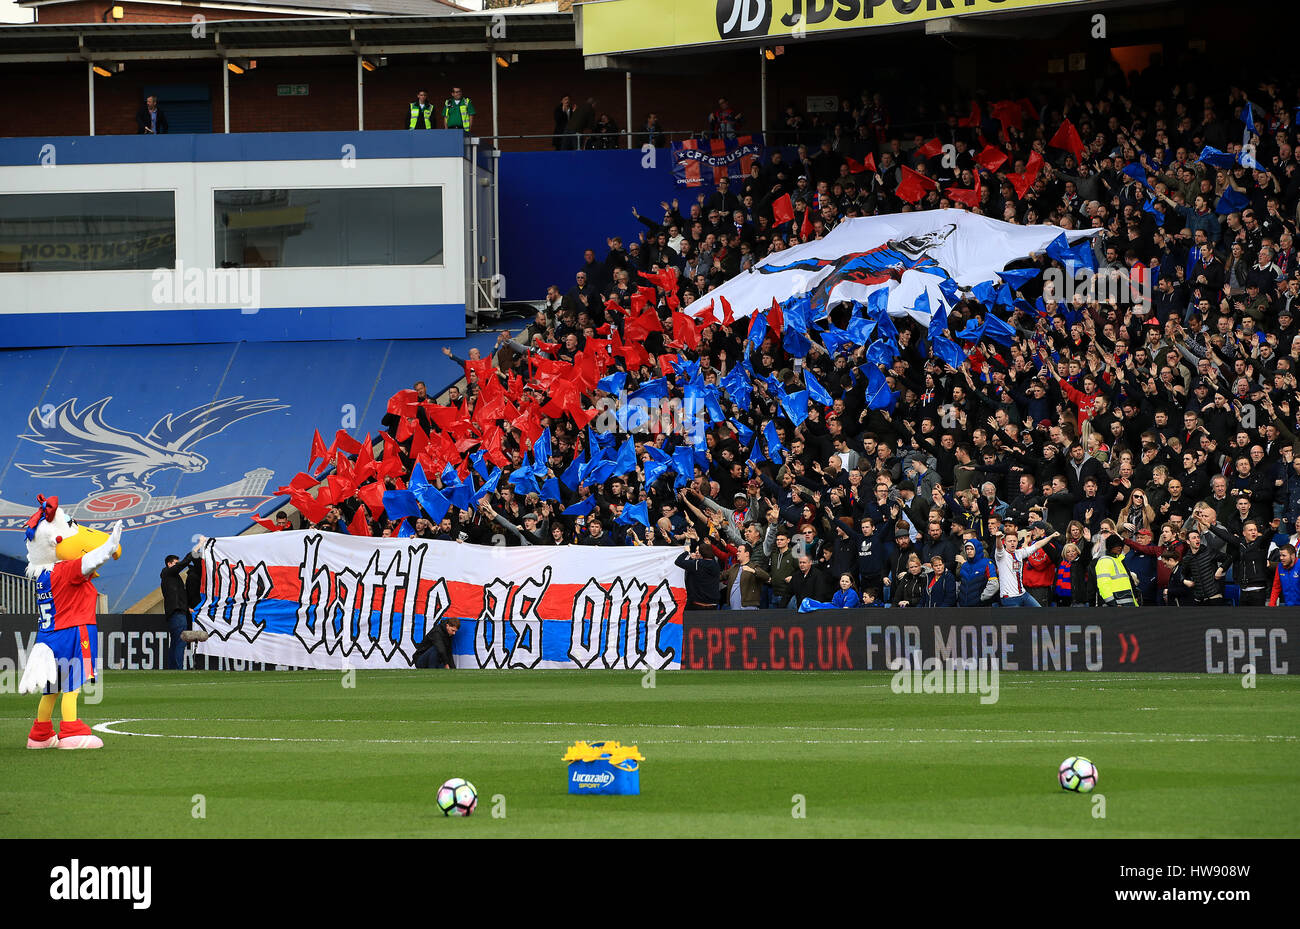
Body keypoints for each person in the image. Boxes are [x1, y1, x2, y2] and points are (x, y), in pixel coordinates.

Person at [160, 544, 202, 669]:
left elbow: (177, 596)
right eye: (175, 563)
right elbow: (184, 562)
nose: (178, 565)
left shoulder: (172, 578)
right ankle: (177, 668)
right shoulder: (167, 573)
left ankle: (173, 668)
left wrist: (187, 608)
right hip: (177, 614)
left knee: (175, 643)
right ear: (169, 564)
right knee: (180, 642)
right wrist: (197, 547)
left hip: (177, 612)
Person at [719, 542, 768, 610]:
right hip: (734, 607)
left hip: (748, 607)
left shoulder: (753, 566)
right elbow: (720, 576)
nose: (737, 553)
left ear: (747, 554)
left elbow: (766, 577)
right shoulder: (734, 567)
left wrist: (753, 571)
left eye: (739, 551)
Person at [1094, 534, 1138, 606]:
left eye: (1121, 545)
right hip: (1116, 607)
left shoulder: (1120, 560)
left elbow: (1129, 581)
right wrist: (1113, 604)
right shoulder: (1104, 561)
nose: (1119, 547)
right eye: (1116, 545)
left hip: (1128, 605)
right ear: (1110, 546)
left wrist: (1135, 598)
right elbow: (1103, 585)